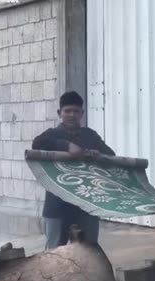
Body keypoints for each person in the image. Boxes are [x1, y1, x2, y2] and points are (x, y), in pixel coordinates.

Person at [32, 91, 115, 249]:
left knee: (90, 253)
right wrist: (66, 146)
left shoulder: (90, 136)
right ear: (59, 113)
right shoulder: (52, 134)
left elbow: (111, 155)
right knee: (54, 255)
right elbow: (37, 143)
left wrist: (99, 155)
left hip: (86, 205)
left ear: (82, 113)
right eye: (67, 111)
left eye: (76, 111)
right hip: (57, 205)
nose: (72, 115)